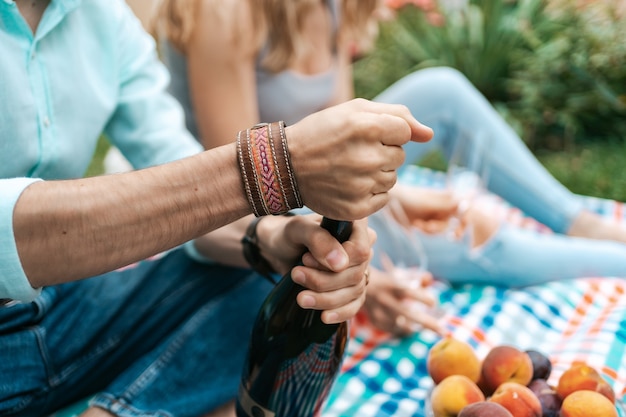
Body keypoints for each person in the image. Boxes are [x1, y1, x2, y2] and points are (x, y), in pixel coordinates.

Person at [0, 1, 435, 416]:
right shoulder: (223, 10)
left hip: (64, 307)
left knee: (282, 281)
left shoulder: (102, 16)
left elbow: (175, 172)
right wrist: (277, 164)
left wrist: (269, 240)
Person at [153, 0, 626, 336]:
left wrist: (396, 197)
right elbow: (245, 186)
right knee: (476, 237)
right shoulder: (223, 9)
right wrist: (357, 270)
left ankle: (579, 222)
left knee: (442, 89)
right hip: (238, 214)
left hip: (309, 188)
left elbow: (341, 142)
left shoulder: (329, 6)